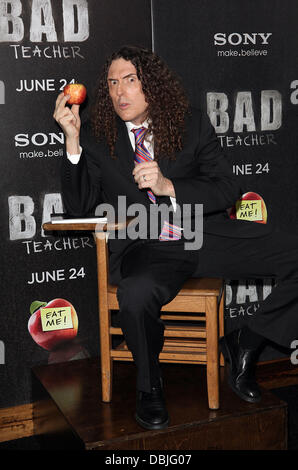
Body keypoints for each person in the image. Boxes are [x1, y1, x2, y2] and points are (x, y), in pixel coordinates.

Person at [53, 45, 298, 431]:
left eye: (131, 81)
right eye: (113, 83)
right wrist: (72, 142)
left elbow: (227, 189)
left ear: (152, 85)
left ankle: (248, 340)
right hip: (147, 247)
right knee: (134, 294)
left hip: (205, 235)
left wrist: (170, 185)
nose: (120, 93)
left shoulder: (191, 123)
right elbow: (79, 208)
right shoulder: (99, 139)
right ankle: (149, 387)